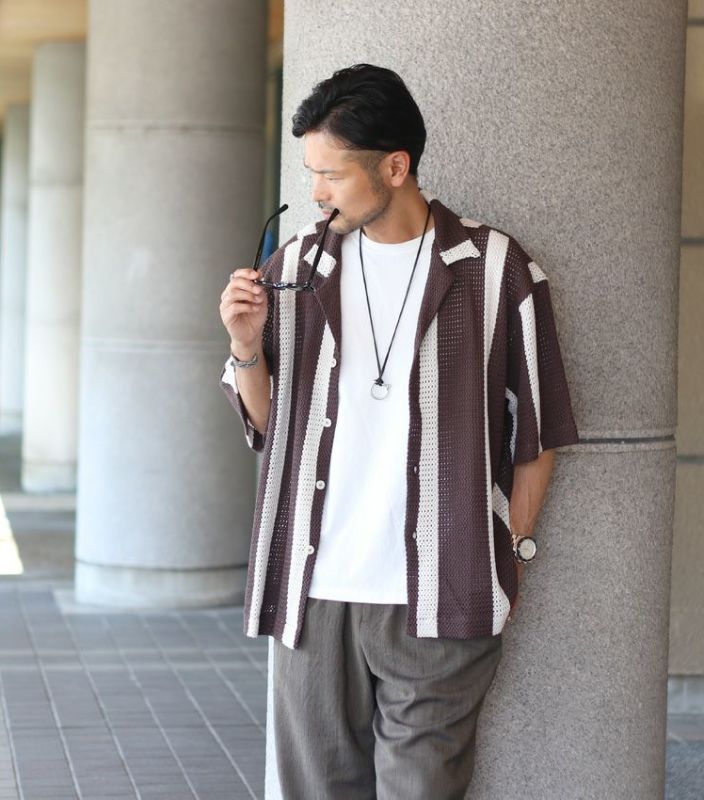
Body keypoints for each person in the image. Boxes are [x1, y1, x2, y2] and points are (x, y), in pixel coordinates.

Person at [219, 63, 578, 800]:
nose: (316, 192)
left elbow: (537, 433)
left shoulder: (495, 268)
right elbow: (265, 423)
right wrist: (246, 345)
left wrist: (511, 549)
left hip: (442, 594)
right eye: (311, 173)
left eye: (333, 175)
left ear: (394, 166)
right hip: (314, 597)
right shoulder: (296, 267)